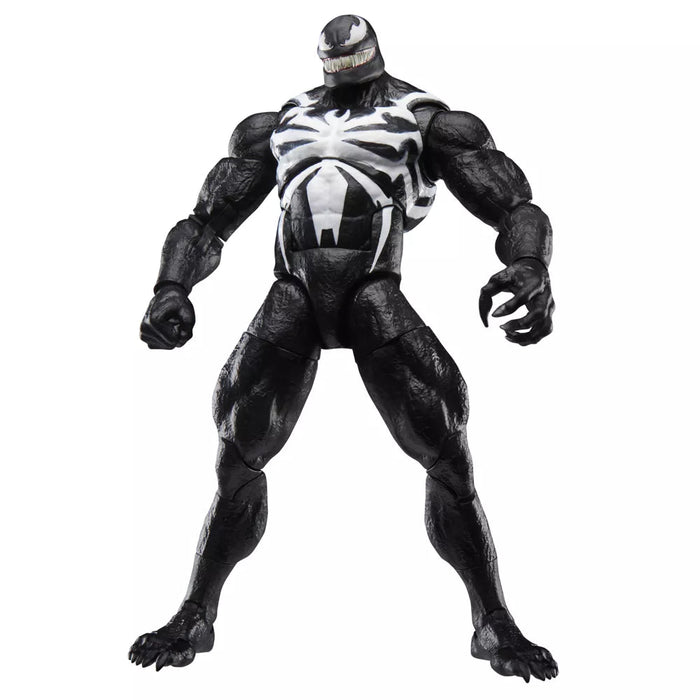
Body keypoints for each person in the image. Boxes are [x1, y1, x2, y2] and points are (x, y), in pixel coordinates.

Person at [131, 14, 557, 682]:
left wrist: (530, 264)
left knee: (446, 450)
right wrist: (171, 286)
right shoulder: (277, 126)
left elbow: (514, 205)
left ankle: (493, 621)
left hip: (371, 292)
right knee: (237, 451)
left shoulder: (426, 121)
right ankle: (195, 613)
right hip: (294, 293)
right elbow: (206, 223)